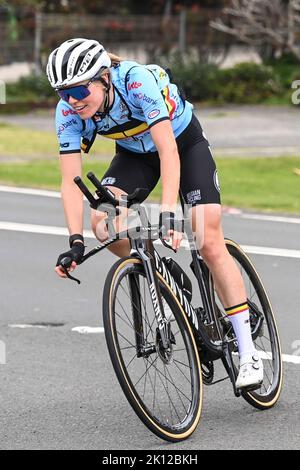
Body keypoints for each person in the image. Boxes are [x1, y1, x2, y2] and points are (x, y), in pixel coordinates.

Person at [46, 37, 263, 389]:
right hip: (134, 155)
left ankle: (250, 353)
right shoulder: (70, 111)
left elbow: (168, 151)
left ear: (103, 78)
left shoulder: (135, 81)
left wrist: (167, 215)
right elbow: (70, 181)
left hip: (182, 143)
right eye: (63, 93)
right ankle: (160, 271)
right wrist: (74, 241)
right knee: (103, 223)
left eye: (79, 90)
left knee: (205, 238)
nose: (72, 100)